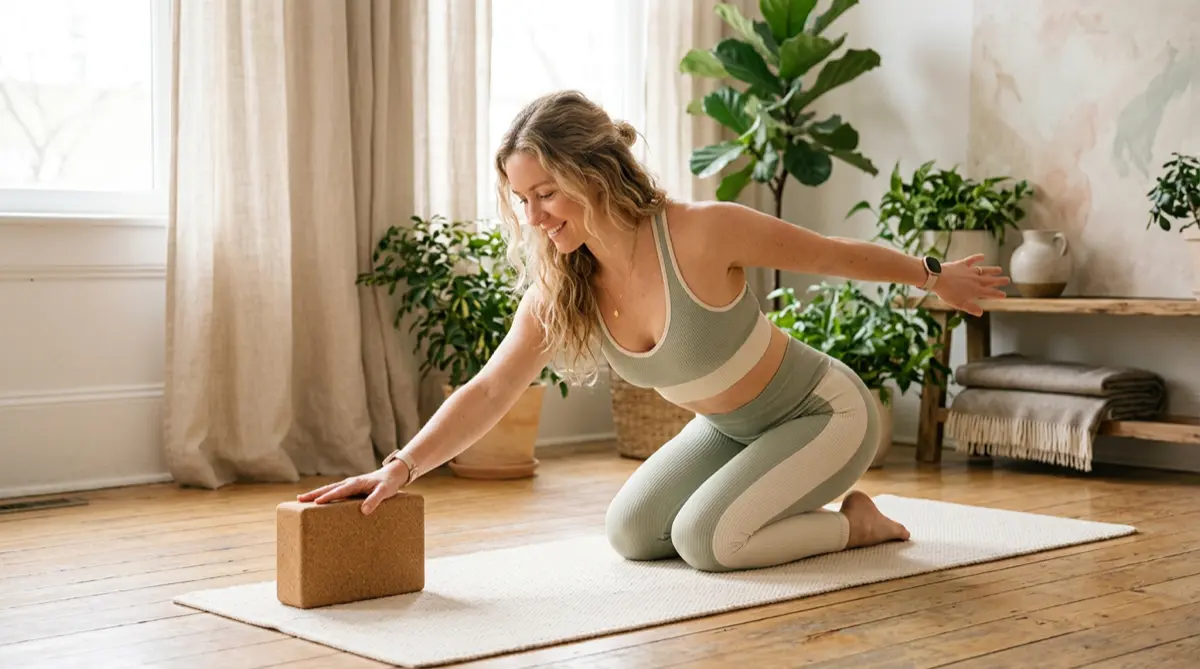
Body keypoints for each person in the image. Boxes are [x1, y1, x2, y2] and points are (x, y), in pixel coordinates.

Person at [298, 90, 1009, 573]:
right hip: (733, 430)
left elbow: (831, 253)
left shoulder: (698, 232)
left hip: (823, 414)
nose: (535, 216)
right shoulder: (562, 287)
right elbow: (489, 390)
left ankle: (858, 523)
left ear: (595, 170)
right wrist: (400, 465)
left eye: (546, 192)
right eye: (523, 199)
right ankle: (782, 498)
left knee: (709, 541)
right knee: (632, 533)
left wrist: (932, 272)